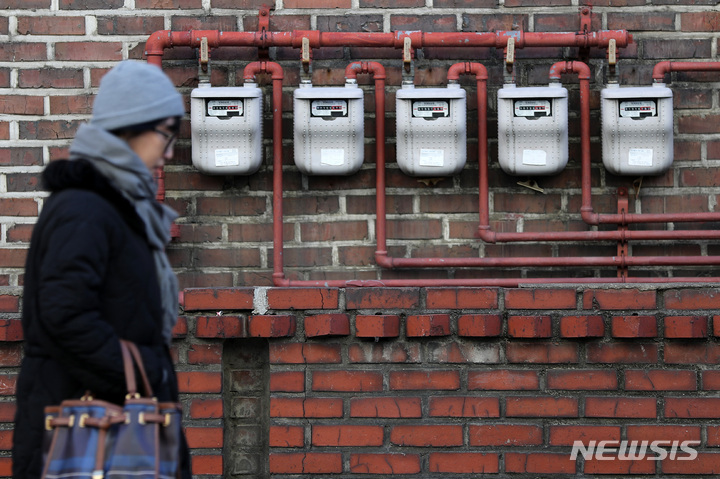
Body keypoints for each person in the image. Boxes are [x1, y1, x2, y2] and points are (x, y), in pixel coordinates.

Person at [12, 60, 191, 479]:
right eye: (166, 134)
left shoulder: (116, 206)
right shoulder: (86, 209)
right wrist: (149, 370)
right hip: (89, 435)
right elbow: (65, 316)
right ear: (131, 126)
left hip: (109, 427)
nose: (168, 153)